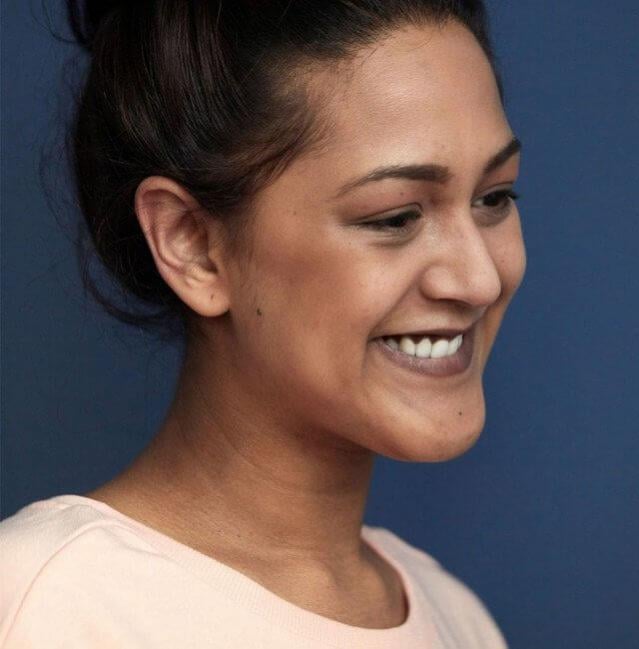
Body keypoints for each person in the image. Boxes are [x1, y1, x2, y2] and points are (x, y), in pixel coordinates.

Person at [0, 1, 525, 647]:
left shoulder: (457, 619)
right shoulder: (48, 607)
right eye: (394, 217)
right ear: (192, 245)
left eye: (494, 198)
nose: (479, 279)